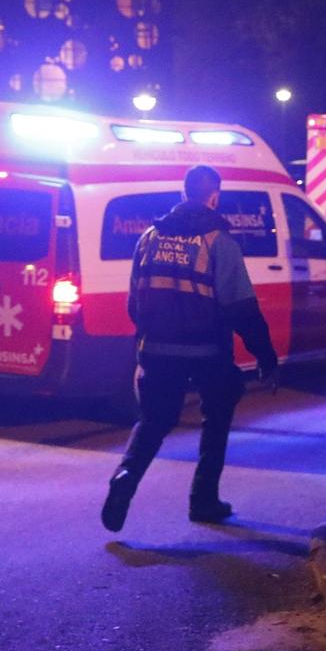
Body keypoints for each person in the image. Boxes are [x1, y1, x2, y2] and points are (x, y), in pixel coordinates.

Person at [100, 164, 279, 530]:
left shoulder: (150, 237)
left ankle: (125, 476)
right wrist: (266, 356)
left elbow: (134, 302)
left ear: (183, 194)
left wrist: (147, 344)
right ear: (214, 196)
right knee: (216, 419)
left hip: (157, 351)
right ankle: (203, 500)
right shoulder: (219, 242)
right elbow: (242, 307)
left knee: (153, 421)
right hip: (208, 353)